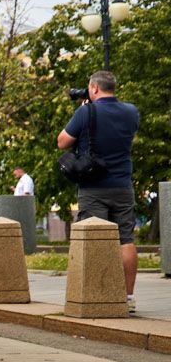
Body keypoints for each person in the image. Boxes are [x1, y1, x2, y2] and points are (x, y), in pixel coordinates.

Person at [58, 70, 140, 311]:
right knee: (126, 240)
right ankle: (128, 298)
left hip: (93, 187)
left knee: (93, 239)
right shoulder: (131, 111)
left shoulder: (86, 111)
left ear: (94, 88)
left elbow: (62, 141)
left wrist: (85, 111)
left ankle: (97, 294)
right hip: (123, 185)